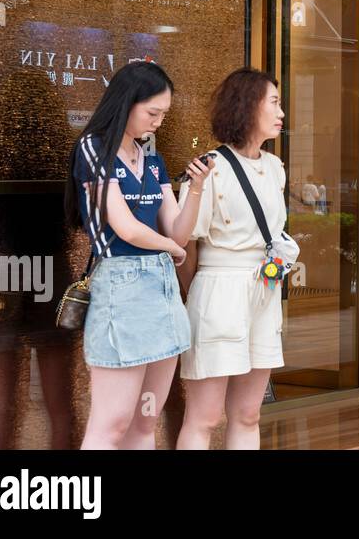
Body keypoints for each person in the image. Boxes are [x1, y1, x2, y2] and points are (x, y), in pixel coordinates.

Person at [66, 61, 214, 449]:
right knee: (111, 424)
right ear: (127, 102)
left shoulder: (152, 159)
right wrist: (172, 248)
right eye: (152, 112)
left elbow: (176, 229)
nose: (158, 122)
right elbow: (125, 227)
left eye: (164, 114)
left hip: (161, 290)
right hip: (121, 285)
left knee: (146, 423)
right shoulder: (93, 147)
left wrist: (195, 189)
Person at [177, 68, 289, 449]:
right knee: (205, 417)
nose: (281, 113)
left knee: (248, 414)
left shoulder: (275, 168)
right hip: (218, 291)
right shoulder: (209, 168)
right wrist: (191, 294)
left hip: (264, 288)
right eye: (274, 102)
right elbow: (186, 242)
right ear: (248, 106)